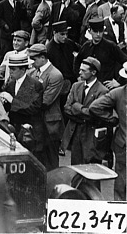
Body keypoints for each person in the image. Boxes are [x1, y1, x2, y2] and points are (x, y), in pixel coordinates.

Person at [62, 57, 110, 165]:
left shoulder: (103, 91)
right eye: (80, 70)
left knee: (91, 169)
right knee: (76, 166)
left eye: (83, 70)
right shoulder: (76, 86)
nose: (80, 73)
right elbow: (66, 108)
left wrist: (76, 106)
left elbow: (95, 115)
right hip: (76, 132)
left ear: (93, 72)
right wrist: (84, 112)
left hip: (91, 135)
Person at [90, 68, 127, 201]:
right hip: (123, 144)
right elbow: (95, 107)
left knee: (121, 180)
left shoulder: (118, 93)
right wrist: (113, 119)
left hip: (122, 143)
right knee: (121, 180)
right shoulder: (118, 93)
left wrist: (112, 119)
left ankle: (120, 210)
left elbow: (95, 107)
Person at [27, 43, 64, 171]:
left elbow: (45, 101)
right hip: (37, 123)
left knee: (51, 161)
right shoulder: (33, 72)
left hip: (50, 124)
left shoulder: (55, 75)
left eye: (34, 59)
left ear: (43, 57)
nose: (31, 62)